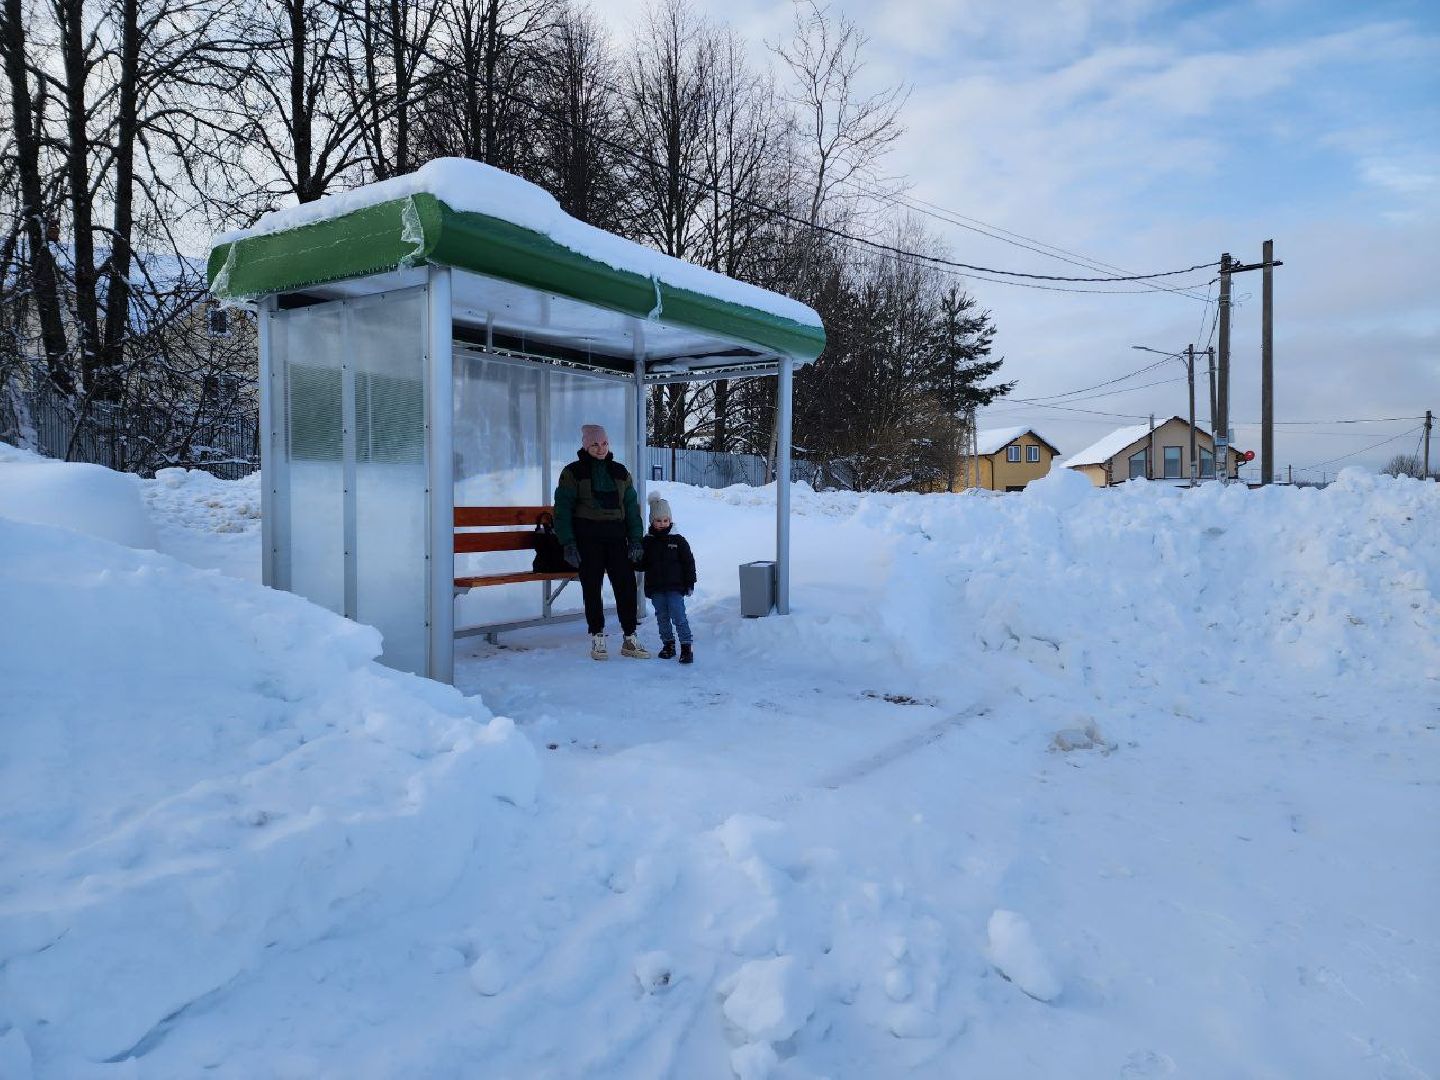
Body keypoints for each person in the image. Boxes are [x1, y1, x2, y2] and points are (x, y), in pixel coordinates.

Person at [553, 424, 650, 660]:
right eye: (595, 444)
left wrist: (636, 539)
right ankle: (597, 636)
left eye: (604, 443)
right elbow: (562, 509)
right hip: (588, 537)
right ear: (586, 446)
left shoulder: (620, 472)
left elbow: (631, 508)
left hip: (617, 536)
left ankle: (630, 637)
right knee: (592, 586)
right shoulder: (573, 472)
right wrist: (568, 542)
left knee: (625, 585)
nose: (600, 448)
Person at [639, 490, 697, 664]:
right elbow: (642, 564)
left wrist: (689, 582)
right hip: (656, 588)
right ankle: (668, 645)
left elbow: (688, 562)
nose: (663, 524)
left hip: (675, 587)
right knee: (662, 617)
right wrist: (634, 558)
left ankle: (686, 647)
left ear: (670, 520)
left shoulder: (678, 540)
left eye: (666, 520)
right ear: (652, 521)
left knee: (678, 616)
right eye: (658, 520)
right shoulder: (647, 542)